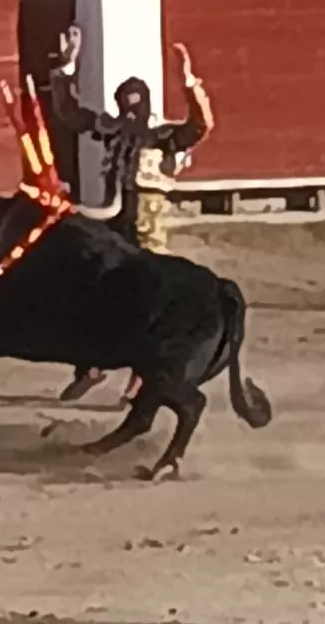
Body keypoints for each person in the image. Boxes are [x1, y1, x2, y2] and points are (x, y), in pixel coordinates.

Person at [50, 25, 215, 401]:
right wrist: (66, 68)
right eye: (125, 103)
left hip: (145, 223)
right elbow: (71, 114)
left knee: (148, 295)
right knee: (97, 286)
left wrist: (191, 84)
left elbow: (201, 125)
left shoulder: (162, 135)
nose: (130, 111)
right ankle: (91, 366)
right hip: (114, 219)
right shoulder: (113, 128)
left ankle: (141, 375)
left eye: (135, 104)